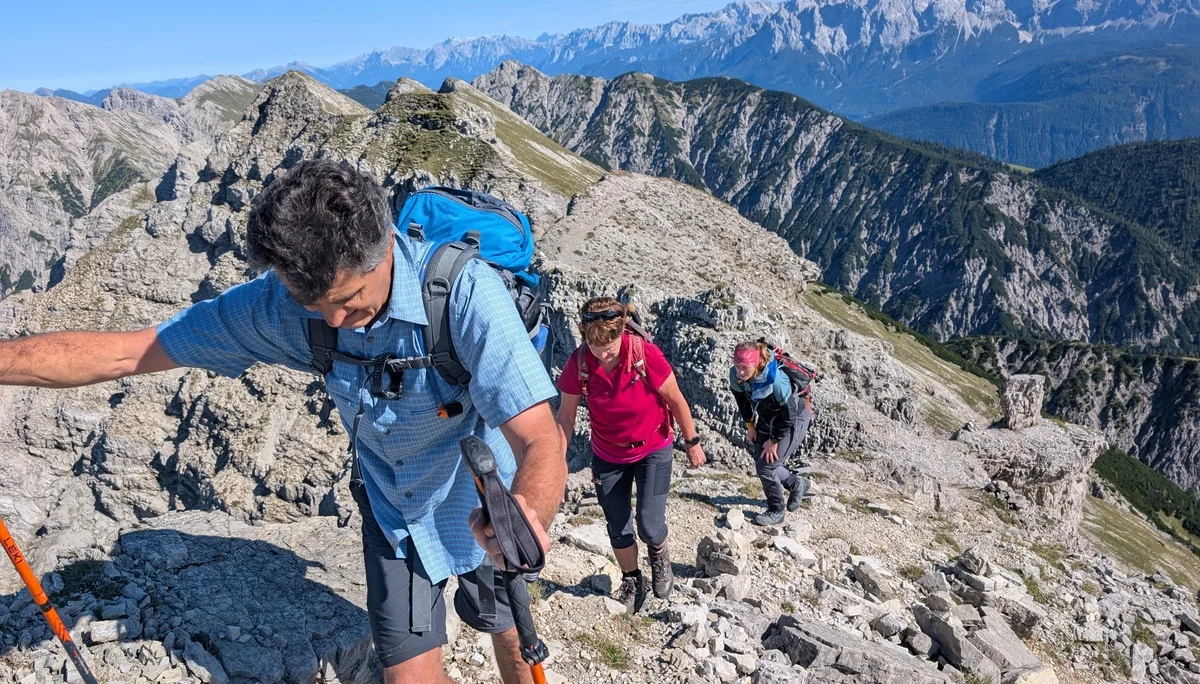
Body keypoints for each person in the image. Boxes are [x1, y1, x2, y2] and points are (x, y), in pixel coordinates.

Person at [0, 159, 564, 684]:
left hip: (484, 504)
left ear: (386, 244)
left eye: (350, 300)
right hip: (396, 513)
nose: (336, 321)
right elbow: (128, 352)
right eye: (315, 304)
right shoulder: (284, 307)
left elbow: (540, 438)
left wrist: (528, 513)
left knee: (506, 630)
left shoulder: (466, 296)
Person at [555, 297, 706, 613]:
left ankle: (659, 555)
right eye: (595, 346)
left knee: (649, 524)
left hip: (654, 448)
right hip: (608, 454)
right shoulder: (579, 363)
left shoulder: (643, 354)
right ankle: (632, 580)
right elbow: (566, 417)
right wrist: (556, 462)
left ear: (621, 332)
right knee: (617, 525)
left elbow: (676, 400)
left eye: (609, 344)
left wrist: (692, 442)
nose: (603, 352)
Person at [729, 340, 811, 526]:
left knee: (766, 468)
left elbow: (789, 414)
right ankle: (796, 483)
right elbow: (742, 401)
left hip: (793, 419)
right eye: (737, 366)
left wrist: (774, 440)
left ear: (757, 363)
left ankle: (776, 509)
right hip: (768, 417)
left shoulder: (775, 381)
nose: (740, 372)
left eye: (745, 367)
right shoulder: (736, 375)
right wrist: (750, 426)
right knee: (762, 462)